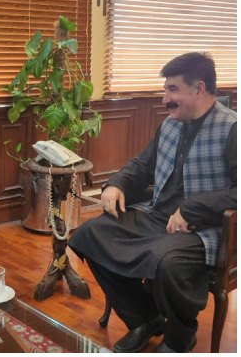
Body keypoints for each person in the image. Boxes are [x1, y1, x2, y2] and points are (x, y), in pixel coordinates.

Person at [68, 52, 236, 353]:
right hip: (157, 216)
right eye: (165, 90)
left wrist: (190, 208)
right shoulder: (170, 124)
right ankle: (146, 319)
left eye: (172, 90)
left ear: (198, 89)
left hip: (204, 229)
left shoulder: (232, 128)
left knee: (166, 262)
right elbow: (142, 165)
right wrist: (116, 184)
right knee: (90, 234)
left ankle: (180, 337)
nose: (164, 99)